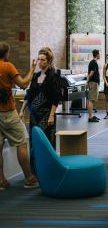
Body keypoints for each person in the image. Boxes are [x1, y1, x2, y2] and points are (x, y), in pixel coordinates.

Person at [0, 42, 39, 190]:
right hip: (8, 112)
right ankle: (29, 178)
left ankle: (1, 181)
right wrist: (32, 70)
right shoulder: (7, 66)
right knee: (21, 141)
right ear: (6, 54)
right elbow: (23, 84)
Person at [19, 47, 63, 173]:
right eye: (38, 59)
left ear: (48, 61)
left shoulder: (54, 76)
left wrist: (51, 115)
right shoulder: (36, 76)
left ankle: (49, 169)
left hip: (46, 114)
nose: (39, 62)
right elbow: (29, 94)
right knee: (34, 142)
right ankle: (35, 170)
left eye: (42, 60)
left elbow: (56, 98)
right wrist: (22, 110)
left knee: (47, 141)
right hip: (34, 115)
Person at [87, 49, 100, 123]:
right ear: (97, 55)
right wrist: (87, 81)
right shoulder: (94, 63)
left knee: (91, 99)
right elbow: (91, 73)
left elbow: (89, 73)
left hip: (93, 82)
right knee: (91, 100)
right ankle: (90, 117)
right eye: (99, 54)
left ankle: (91, 116)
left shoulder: (92, 62)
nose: (100, 55)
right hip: (93, 83)